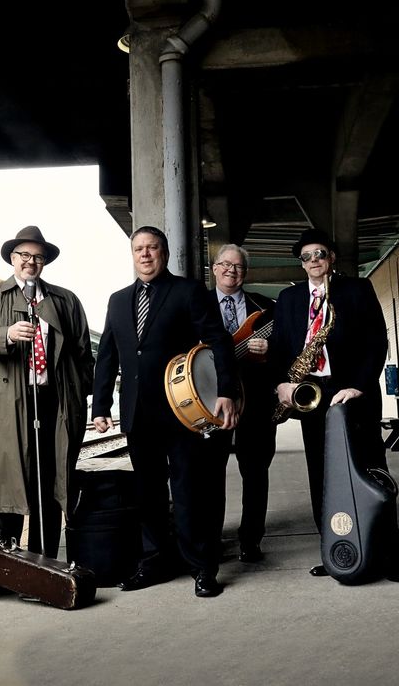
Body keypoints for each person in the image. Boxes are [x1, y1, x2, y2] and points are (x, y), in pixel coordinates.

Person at [92, 226, 239, 598]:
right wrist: (101, 406)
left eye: (152, 248)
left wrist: (226, 391)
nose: (145, 254)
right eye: (139, 248)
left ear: (165, 252)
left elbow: (217, 340)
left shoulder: (187, 291)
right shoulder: (117, 299)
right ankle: (154, 561)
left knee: (190, 491)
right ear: (132, 254)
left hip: (182, 410)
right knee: (148, 493)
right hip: (138, 412)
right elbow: (108, 355)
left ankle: (202, 568)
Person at [268, 228, 399, 581]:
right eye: (307, 257)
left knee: (372, 469)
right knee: (322, 474)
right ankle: (336, 549)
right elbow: (280, 347)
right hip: (310, 394)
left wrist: (359, 386)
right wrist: (283, 385)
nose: (314, 261)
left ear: (331, 258)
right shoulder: (288, 299)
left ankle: (390, 556)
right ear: (301, 264)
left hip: (352, 392)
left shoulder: (357, 289)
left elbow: (377, 341)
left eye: (320, 254)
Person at [0, 226, 95, 558]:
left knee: (49, 480)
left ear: (45, 262)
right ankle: (7, 559)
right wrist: (5, 334)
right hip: (9, 405)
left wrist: (81, 395)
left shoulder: (65, 300)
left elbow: (82, 354)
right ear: (12, 258)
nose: (30, 262)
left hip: (53, 402)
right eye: (24, 255)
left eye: (37, 256)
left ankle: (44, 557)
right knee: (7, 477)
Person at [211, 243, 276, 564]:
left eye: (236, 266)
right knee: (211, 472)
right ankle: (212, 538)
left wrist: (270, 348)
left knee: (255, 472)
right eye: (224, 264)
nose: (230, 271)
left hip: (256, 400)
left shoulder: (265, 308)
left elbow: (287, 343)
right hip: (210, 400)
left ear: (245, 272)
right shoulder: (197, 305)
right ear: (214, 269)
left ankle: (251, 540)